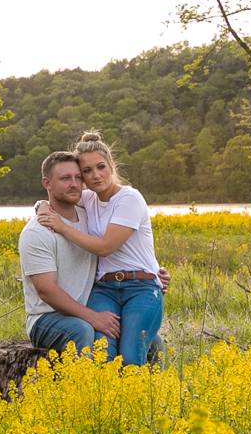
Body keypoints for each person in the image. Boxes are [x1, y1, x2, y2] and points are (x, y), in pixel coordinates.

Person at [35, 130, 163, 366]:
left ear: (111, 165)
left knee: (130, 358)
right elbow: (57, 197)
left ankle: (138, 401)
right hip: (105, 289)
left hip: (141, 287)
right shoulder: (88, 198)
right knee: (103, 355)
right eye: (87, 171)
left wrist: (62, 228)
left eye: (101, 167)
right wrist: (41, 205)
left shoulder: (130, 199)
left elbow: (105, 247)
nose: (95, 175)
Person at [19, 150, 121, 356]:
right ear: (47, 183)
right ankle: (80, 387)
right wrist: (93, 317)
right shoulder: (37, 232)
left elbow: (115, 246)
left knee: (148, 337)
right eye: (65, 178)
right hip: (46, 318)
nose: (74, 184)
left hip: (89, 308)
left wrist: (153, 272)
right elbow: (47, 291)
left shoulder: (90, 216)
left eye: (78, 177)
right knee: (81, 330)